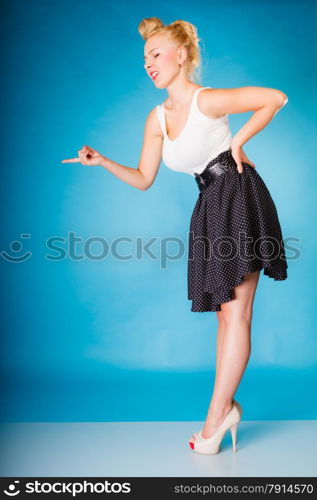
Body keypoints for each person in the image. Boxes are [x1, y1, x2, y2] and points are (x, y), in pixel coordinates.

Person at [61, 17, 288, 455]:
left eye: (156, 53)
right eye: (144, 57)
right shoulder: (157, 118)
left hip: (238, 195)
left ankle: (215, 419)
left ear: (181, 55)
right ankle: (224, 411)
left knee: (237, 315)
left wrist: (238, 142)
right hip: (209, 204)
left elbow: (275, 98)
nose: (148, 63)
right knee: (225, 315)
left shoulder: (208, 100)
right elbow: (145, 177)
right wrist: (103, 161)